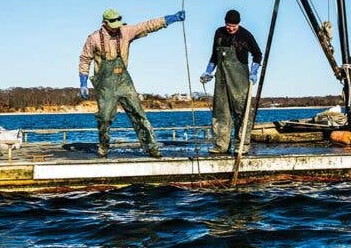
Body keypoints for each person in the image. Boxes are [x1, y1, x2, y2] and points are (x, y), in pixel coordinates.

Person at [79, 8, 185, 158]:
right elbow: (85, 59)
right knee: (105, 117)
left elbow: (147, 25)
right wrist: (83, 82)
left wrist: (171, 19)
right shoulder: (94, 39)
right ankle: (103, 147)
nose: (117, 27)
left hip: (124, 82)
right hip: (105, 85)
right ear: (105, 23)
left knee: (139, 114)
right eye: (113, 24)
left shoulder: (126, 31)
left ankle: (152, 148)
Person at [200, 9, 262, 154]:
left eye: (234, 26)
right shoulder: (219, 33)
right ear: (225, 22)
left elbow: (258, 55)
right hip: (221, 79)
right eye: (229, 25)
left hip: (239, 79)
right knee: (221, 111)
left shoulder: (245, 35)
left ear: (239, 24)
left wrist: (254, 72)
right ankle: (220, 145)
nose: (231, 28)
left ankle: (242, 145)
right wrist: (208, 71)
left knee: (242, 111)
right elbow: (214, 56)